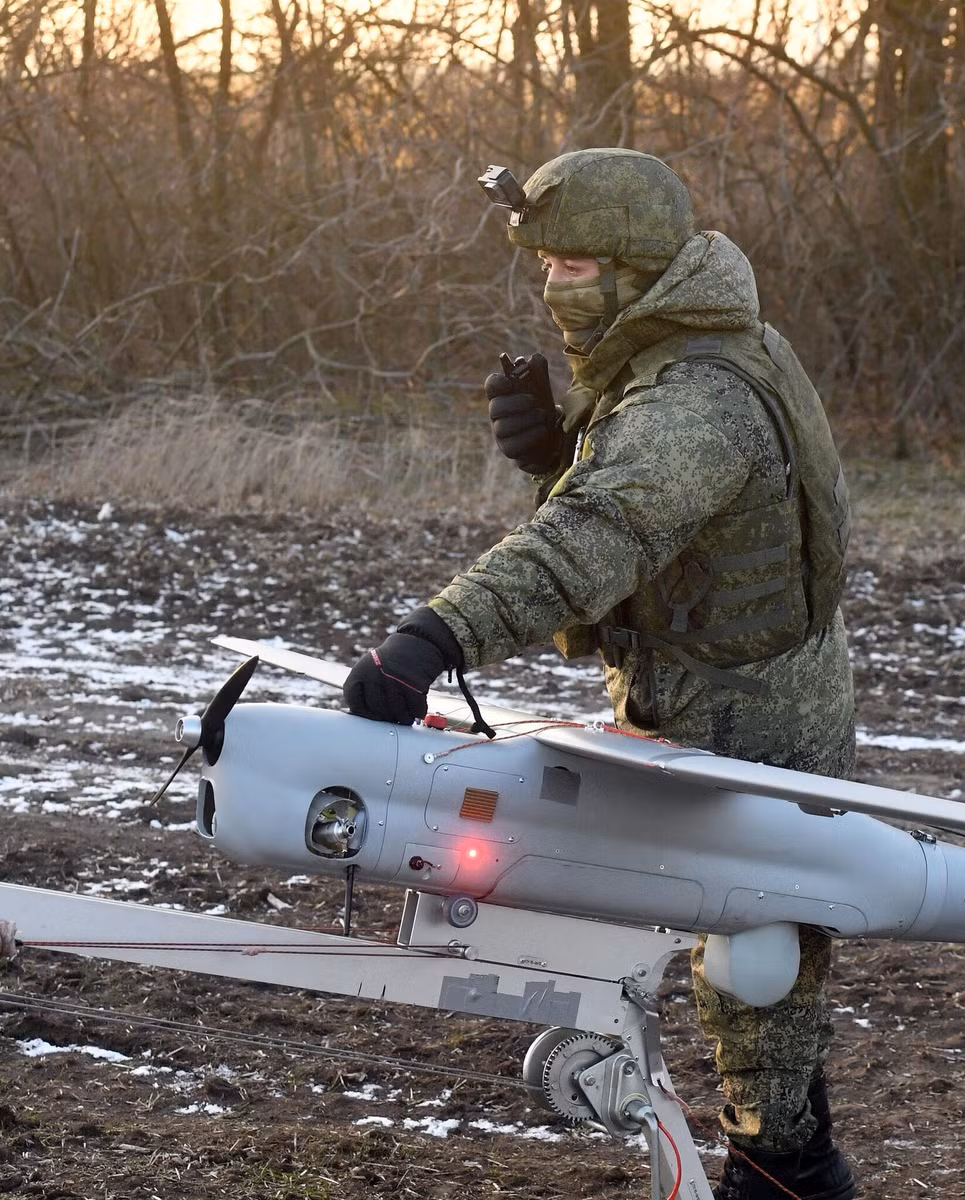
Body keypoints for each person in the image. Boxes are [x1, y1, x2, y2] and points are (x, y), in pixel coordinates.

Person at [343, 148, 858, 1200]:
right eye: (546, 263)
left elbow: (597, 537)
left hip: (752, 725)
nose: (553, 285)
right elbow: (651, 525)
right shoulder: (686, 349)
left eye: (576, 264)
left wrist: (433, 639)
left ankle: (789, 1169)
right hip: (703, 704)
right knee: (743, 956)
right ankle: (784, 1155)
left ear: (636, 267)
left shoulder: (698, 399)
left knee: (755, 963)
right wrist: (554, 454)